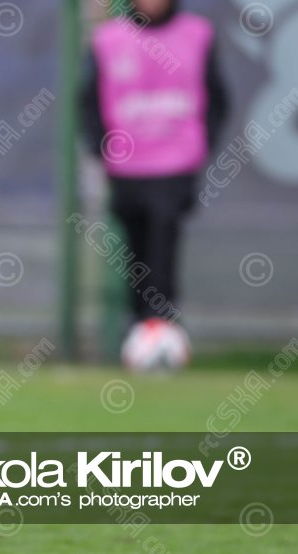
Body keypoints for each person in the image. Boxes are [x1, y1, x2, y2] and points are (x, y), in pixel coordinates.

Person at [80, 0, 228, 361]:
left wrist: (200, 144)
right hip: (127, 164)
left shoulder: (197, 34)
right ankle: (140, 323)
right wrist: (102, 147)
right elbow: (88, 100)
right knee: (136, 245)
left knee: (165, 233)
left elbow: (218, 98)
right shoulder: (108, 39)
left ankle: (161, 321)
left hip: (176, 162)